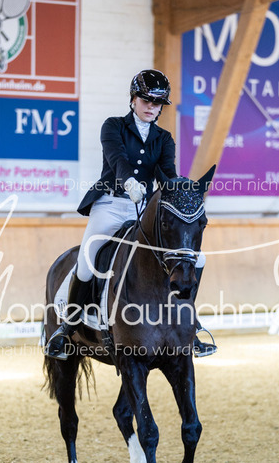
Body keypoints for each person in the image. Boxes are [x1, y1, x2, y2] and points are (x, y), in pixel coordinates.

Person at [45, 69, 216, 360]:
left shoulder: (164, 138)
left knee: (195, 258)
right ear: (133, 99)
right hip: (111, 205)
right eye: (146, 100)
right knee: (87, 260)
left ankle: (190, 325)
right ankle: (67, 327)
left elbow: (168, 174)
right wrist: (129, 183)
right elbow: (118, 159)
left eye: (157, 103)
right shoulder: (113, 126)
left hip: (145, 211)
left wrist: (180, 190)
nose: (151, 107)